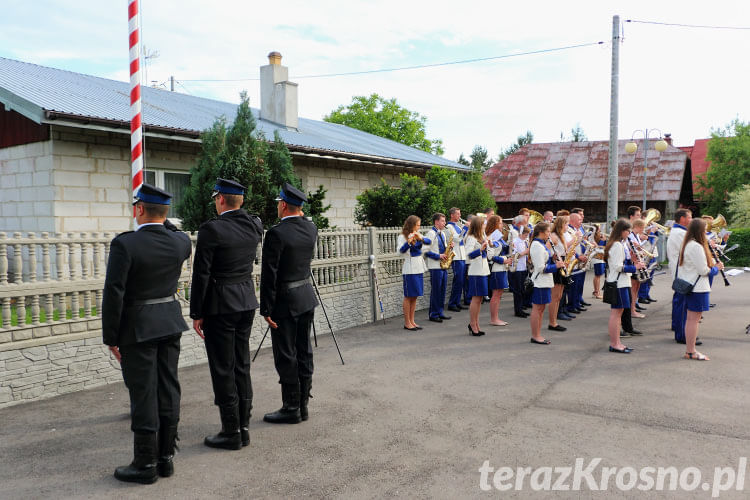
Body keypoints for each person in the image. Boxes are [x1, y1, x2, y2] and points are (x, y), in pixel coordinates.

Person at [102, 184, 192, 484]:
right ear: (165, 212)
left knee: (143, 393)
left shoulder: (125, 245)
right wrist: (160, 216)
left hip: (138, 328)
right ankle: (166, 458)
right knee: (168, 388)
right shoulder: (180, 243)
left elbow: (114, 293)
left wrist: (111, 337)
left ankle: (144, 464)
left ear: (139, 209)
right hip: (169, 323)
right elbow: (170, 229)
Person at [190, 178, 264, 450]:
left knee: (223, 368)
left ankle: (231, 431)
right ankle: (243, 426)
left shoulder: (213, 229)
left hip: (221, 306)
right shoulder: (254, 225)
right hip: (245, 301)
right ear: (240, 200)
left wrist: (196, 311)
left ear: (220, 199)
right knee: (241, 364)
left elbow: (202, 274)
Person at [260, 183, 318, 424]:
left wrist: (266, 307)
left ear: (283, 205)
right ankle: (303, 404)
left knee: (286, 354)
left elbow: (269, 274)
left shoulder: (276, 233)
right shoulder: (311, 228)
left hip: (285, 302)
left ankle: (291, 407)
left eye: (278, 203)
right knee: (304, 350)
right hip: (305, 296)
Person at [678, 218, 722, 361]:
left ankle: (690, 350)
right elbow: (704, 270)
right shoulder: (696, 246)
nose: (706, 232)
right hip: (698, 288)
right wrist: (716, 268)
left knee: (691, 319)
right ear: (699, 231)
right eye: (704, 230)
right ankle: (691, 351)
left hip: (692, 286)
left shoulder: (688, 244)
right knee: (693, 320)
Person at [604, 219, 644, 353]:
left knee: (618, 314)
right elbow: (617, 267)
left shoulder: (618, 244)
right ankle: (615, 344)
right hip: (619, 283)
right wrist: (635, 267)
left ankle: (617, 343)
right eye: (628, 231)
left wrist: (632, 261)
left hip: (621, 282)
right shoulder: (617, 245)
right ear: (622, 231)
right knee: (616, 314)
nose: (629, 233)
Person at [529, 222, 564, 344]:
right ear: (542, 232)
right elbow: (540, 268)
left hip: (544, 282)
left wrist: (552, 258)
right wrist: (556, 266)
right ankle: (535, 336)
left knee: (541, 308)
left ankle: (537, 334)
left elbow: (544, 260)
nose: (550, 234)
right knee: (538, 309)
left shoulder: (541, 244)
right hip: (540, 282)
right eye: (548, 232)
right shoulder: (537, 245)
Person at [667, 208, 694, 345]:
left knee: (679, 303)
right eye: (690, 217)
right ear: (682, 219)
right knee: (682, 305)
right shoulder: (680, 233)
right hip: (682, 274)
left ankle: (677, 327)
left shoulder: (679, 232)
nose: (691, 220)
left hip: (680, 273)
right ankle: (682, 334)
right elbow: (690, 250)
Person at [397, 215, 426, 331]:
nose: (419, 227)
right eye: (417, 225)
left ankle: (412, 320)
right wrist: (408, 242)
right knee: (408, 296)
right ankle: (407, 322)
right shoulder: (402, 236)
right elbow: (400, 252)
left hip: (418, 267)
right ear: (411, 224)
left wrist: (420, 239)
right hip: (410, 269)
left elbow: (425, 246)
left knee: (415, 296)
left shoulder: (418, 234)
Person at [424, 213, 452, 323]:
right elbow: (425, 251)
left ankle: (440, 312)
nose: (444, 223)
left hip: (443, 265)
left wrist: (449, 248)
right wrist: (438, 256)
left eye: (444, 221)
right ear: (436, 222)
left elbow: (444, 249)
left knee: (442, 290)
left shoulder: (442, 234)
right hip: (435, 266)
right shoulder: (431, 234)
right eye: (442, 221)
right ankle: (433, 314)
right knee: (436, 290)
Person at [465, 216, 490, 336]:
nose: (485, 226)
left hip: (483, 270)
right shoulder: (471, 237)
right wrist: (480, 250)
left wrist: (489, 245)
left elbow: (488, 254)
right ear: (478, 225)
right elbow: (468, 255)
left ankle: (476, 323)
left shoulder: (482, 236)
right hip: (475, 271)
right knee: (475, 299)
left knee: (479, 299)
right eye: (483, 224)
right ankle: (472, 324)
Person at [485, 215, 509, 326]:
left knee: (499, 294)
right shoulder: (490, 237)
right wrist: (504, 260)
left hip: (502, 268)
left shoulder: (498, 237)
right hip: (496, 269)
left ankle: (496, 318)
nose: (501, 225)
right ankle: (494, 319)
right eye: (499, 223)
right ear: (494, 224)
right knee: (496, 294)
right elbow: (490, 256)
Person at [548, 215, 570, 330]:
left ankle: (554, 321)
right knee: (554, 296)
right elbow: (547, 250)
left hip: (562, 265)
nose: (568, 226)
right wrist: (555, 258)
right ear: (561, 224)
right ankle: (552, 322)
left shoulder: (561, 236)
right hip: (557, 266)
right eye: (566, 224)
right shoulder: (554, 236)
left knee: (559, 296)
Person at [446, 208, 467, 312]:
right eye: (458, 214)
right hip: (456, 256)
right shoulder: (449, 226)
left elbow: (464, 238)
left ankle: (457, 302)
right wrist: (466, 229)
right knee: (457, 280)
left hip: (462, 256)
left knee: (461, 280)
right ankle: (452, 303)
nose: (460, 215)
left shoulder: (458, 226)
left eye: (460, 213)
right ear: (452, 215)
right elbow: (458, 239)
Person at [510, 225, 531, 318]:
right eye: (525, 235)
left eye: (527, 235)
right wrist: (525, 252)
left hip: (523, 267)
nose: (526, 236)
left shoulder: (525, 241)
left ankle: (521, 308)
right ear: (521, 233)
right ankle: (517, 310)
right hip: (517, 268)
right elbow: (514, 256)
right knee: (517, 291)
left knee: (523, 289)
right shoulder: (515, 241)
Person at [628, 219, 648, 319]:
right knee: (633, 288)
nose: (643, 230)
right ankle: (632, 310)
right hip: (633, 263)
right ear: (638, 226)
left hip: (638, 262)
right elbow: (631, 250)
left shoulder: (636, 236)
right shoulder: (631, 236)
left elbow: (638, 248)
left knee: (636, 287)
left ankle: (633, 308)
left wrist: (641, 250)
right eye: (642, 227)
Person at [591, 225, 607, 299]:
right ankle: (597, 292)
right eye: (599, 230)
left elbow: (605, 246)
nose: (600, 231)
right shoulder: (592, 237)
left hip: (602, 257)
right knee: (597, 275)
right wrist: (602, 241)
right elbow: (596, 247)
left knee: (599, 275)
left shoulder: (600, 236)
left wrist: (605, 240)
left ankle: (596, 291)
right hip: (597, 258)